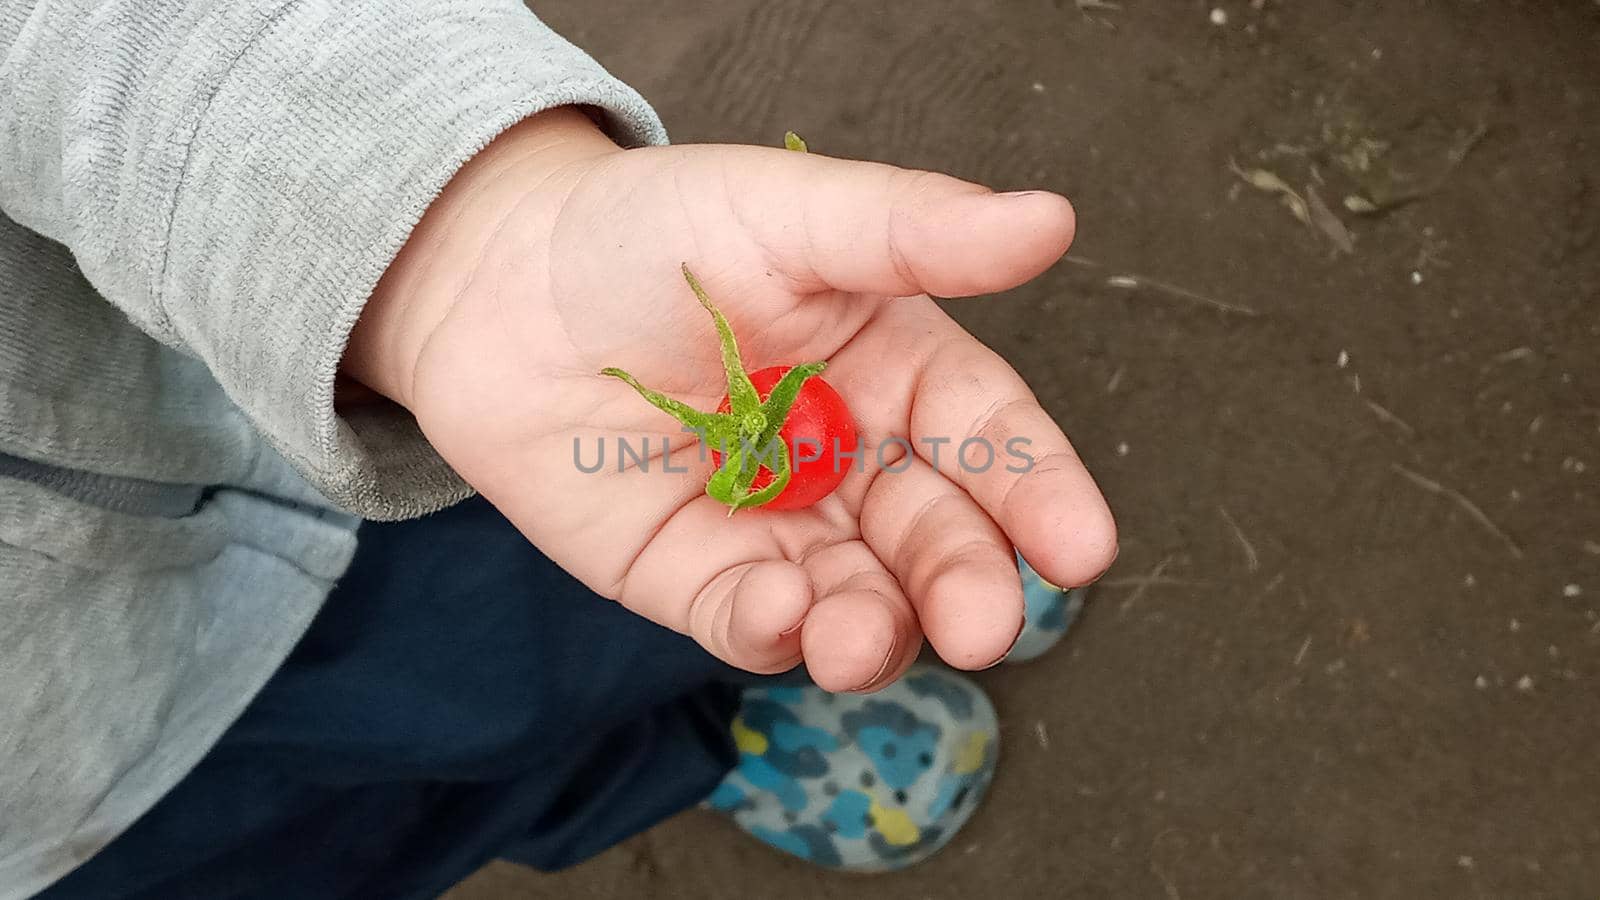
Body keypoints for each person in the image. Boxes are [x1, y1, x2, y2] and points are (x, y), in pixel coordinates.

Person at [0, 1, 1117, 896]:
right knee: (371, 815)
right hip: (87, 808)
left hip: (283, 383)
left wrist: (455, 235)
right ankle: (685, 758)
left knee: (577, 570)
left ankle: (789, 655)